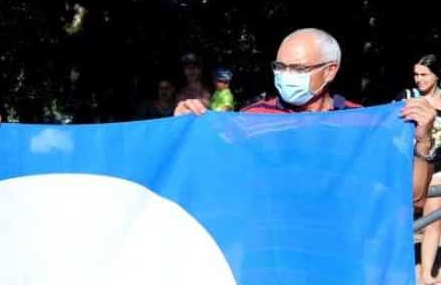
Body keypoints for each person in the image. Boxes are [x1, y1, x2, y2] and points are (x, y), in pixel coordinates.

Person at [175, 28, 436, 207]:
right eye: (280, 67)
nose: (286, 75)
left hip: (338, 254)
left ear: (330, 71)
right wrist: (182, 130)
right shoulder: (253, 117)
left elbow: (413, 198)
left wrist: (423, 142)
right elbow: (209, 176)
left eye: (298, 68)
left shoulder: (359, 123)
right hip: (267, 254)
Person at [408, 54, 441, 284]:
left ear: (437, 75)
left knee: (434, 218)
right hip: (410, 165)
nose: (418, 79)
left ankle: (426, 272)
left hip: (437, 165)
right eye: (416, 74)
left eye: (424, 74)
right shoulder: (407, 97)